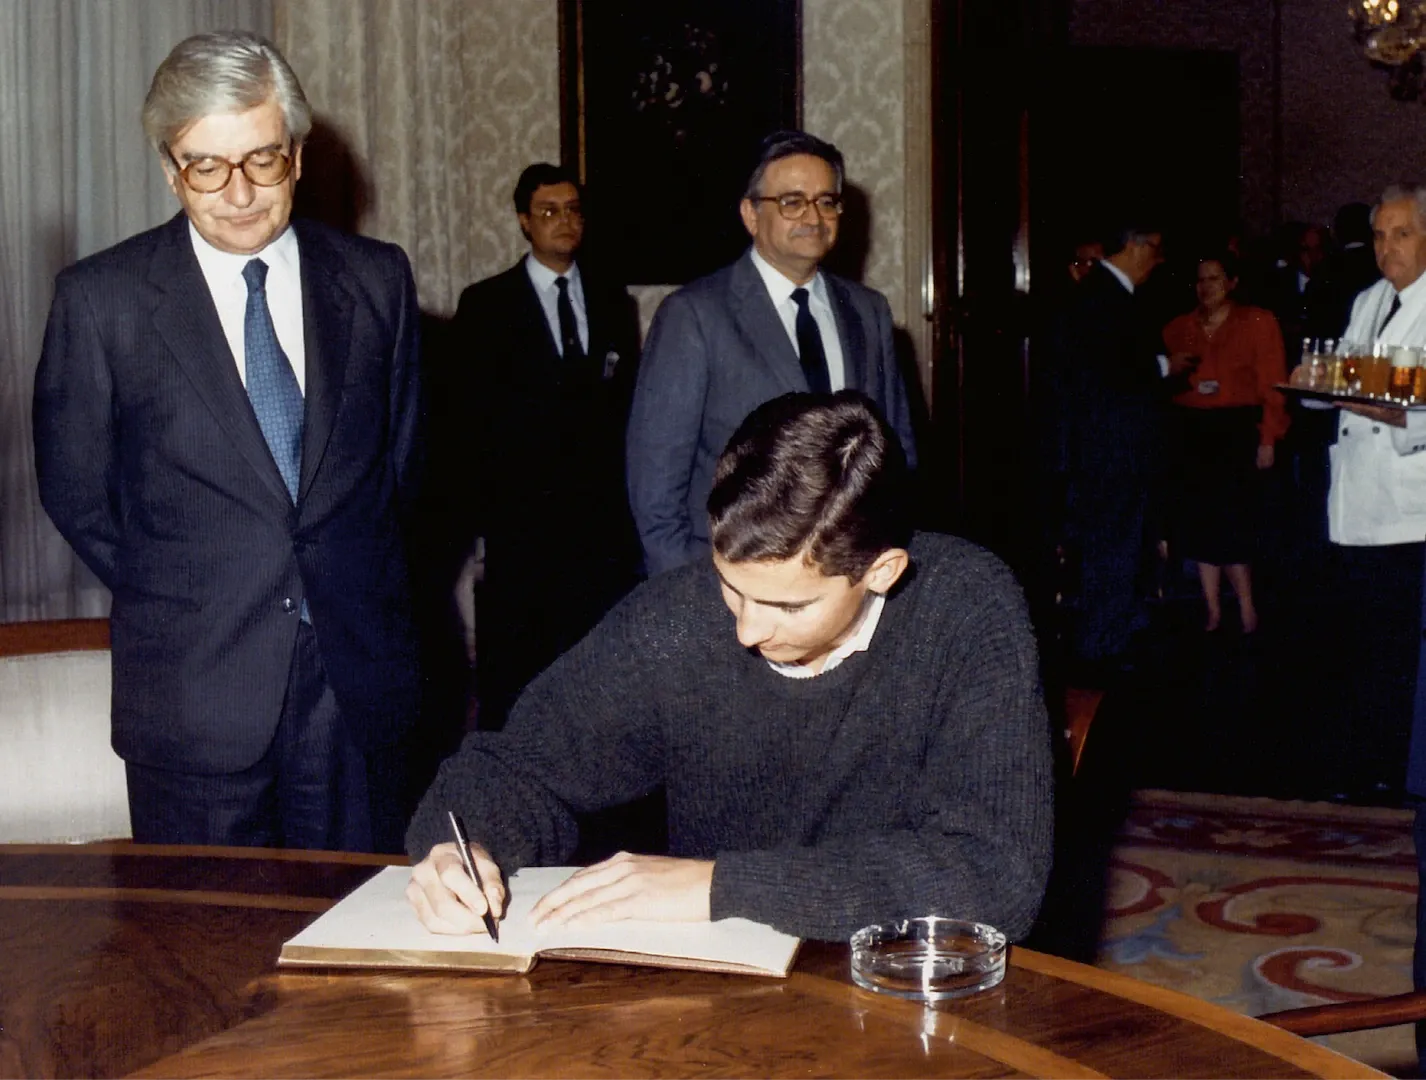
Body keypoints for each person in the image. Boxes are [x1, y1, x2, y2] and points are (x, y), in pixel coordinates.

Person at [404, 391, 1052, 942]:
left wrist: (722, 886)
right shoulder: (677, 617)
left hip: (905, 973)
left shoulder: (968, 607)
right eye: (729, 586)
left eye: (787, 606)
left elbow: (995, 874)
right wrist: (460, 849)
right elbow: (519, 766)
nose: (746, 629)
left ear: (880, 572)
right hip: (728, 982)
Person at [32, 30, 422, 852]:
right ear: (171, 170)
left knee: (355, 951)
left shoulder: (378, 279)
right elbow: (76, 494)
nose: (239, 192)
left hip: (355, 693)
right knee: (203, 961)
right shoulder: (102, 302)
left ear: (300, 155)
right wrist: (190, 585)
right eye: (206, 166)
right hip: (194, 699)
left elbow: (403, 471)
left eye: (262, 160)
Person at [627, 130, 918, 577]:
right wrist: (687, 598)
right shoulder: (695, 316)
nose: (813, 217)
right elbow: (655, 491)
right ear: (750, 214)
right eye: (792, 202)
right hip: (733, 584)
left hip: (846, 581)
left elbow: (897, 457)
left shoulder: (868, 311)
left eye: (827, 201)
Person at [448, 163, 642, 729]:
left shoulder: (611, 301)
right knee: (519, 683)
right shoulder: (486, 306)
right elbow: (467, 425)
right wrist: (478, 527)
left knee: (595, 682)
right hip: (521, 533)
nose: (564, 221)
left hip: (599, 533)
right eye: (549, 212)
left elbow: (624, 413)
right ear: (524, 223)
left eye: (573, 210)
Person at [1043, 222, 1175, 674]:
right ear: (1135, 247)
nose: (1157, 262)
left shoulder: (1103, 294)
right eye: (1154, 250)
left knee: (1116, 544)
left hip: (1108, 451)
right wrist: (1161, 368)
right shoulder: (1105, 297)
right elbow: (1107, 380)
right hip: (1110, 452)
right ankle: (1102, 643)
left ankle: (1112, 630)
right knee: (1110, 545)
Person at [1162, 253, 1288, 633]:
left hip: (1235, 431)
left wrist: (1269, 437)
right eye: (1200, 280)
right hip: (1192, 431)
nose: (1206, 287)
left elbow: (1274, 386)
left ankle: (1247, 609)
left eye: (1214, 279)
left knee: (1235, 524)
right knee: (1199, 525)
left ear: (1232, 282)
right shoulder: (1177, 328)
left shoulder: (1257, 322)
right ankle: (1212, 610)